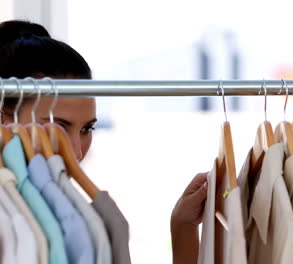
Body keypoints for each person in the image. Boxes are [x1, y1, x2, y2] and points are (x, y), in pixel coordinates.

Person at [0, 20, 207, 264]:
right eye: (58, 127)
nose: (76, 151)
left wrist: (182, 228)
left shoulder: (71, 223)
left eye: (87, 128)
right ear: (4, 120)